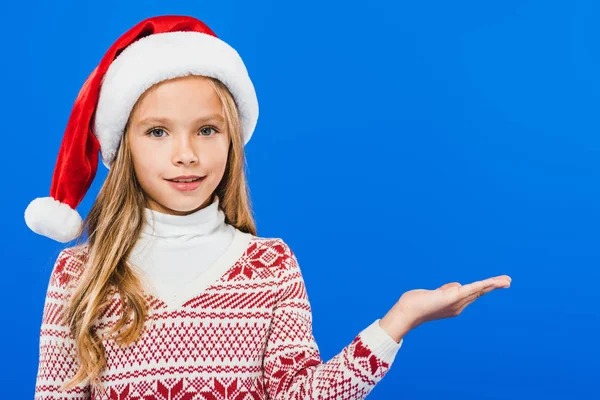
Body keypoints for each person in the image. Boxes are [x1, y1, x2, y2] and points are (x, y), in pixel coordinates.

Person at [25, 15, 512, 400]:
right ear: (122, 145)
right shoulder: (80, 273)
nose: (186, 153)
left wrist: (399, 320)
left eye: (207, 129)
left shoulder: (270, 265)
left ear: (232, 140)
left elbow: (301, 395)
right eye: (157, 131)